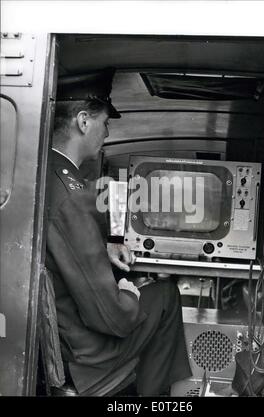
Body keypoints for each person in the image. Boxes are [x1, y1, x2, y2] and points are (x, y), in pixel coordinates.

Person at [45, 69, 192, 396]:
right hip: (84, 349)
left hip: (65, 333)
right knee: (165, 296)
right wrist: (129, 292)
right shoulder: (69, 195)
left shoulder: (51, 176)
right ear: (83, 121)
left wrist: (107, 247)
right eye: (104, 122)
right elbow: (113, 319)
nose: (107, 132)